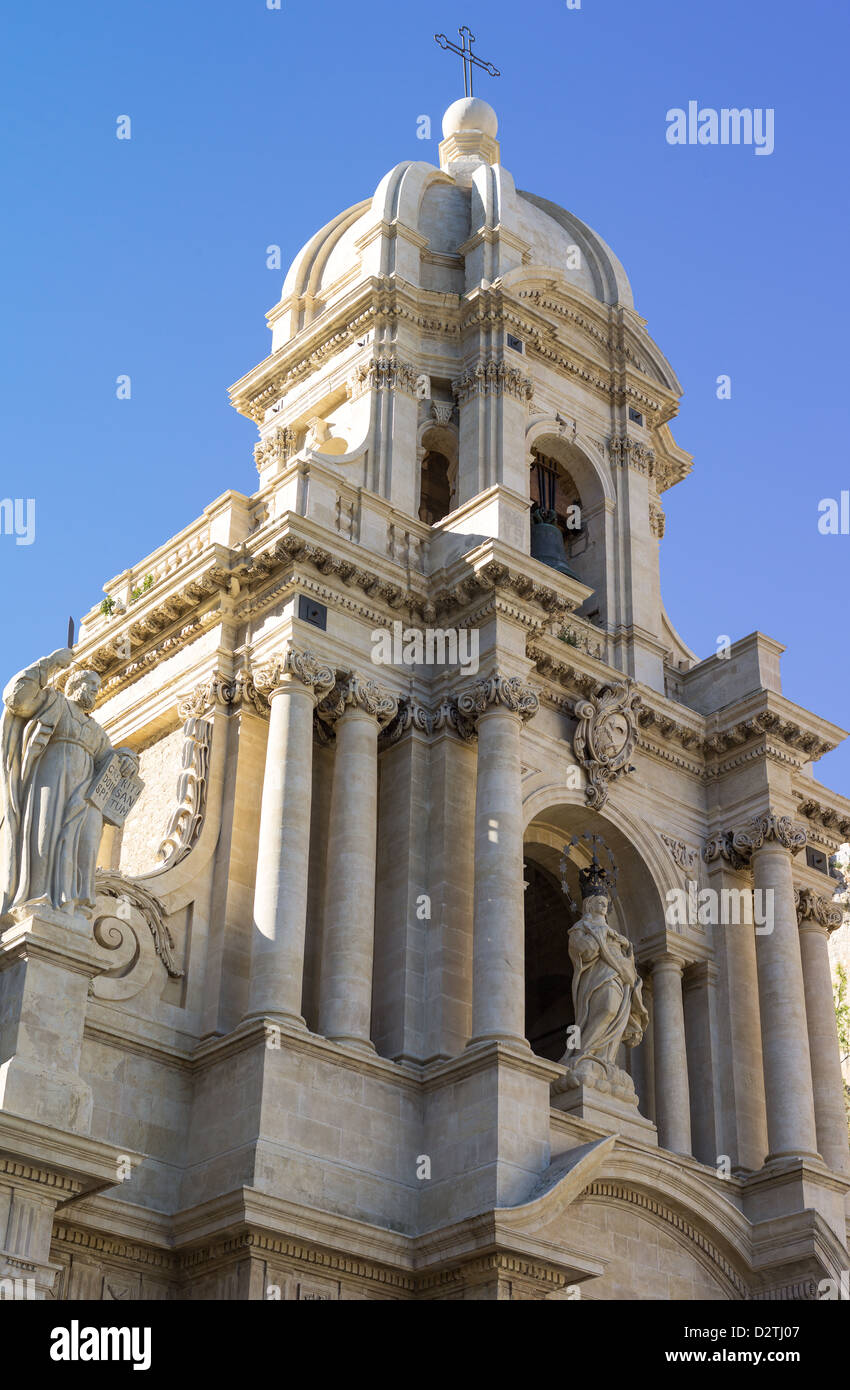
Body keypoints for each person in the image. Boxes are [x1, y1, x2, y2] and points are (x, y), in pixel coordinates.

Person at [0, 647, 139, 917]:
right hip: (50, 782)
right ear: (74, 685)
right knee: (44, 834)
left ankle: (75, 903)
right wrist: (49, 664)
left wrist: (128, 761)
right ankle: (37, 897)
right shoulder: (54, 703)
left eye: (98, 688)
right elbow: (16, 699)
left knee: (83, 844)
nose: (95, 692)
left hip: (85, 793)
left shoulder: (96, 732)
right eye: (91, 685)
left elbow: (111, 759)